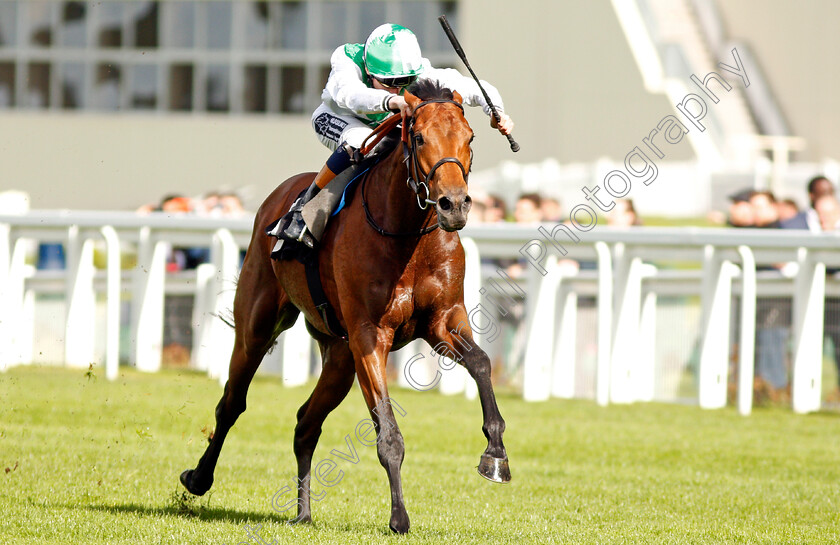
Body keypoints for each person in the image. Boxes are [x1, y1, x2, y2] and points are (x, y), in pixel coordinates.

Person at [270, 23, 514, 250]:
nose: (398, 88)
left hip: (387, 125)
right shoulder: (347, 58)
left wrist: (497, 111)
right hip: (338, 119)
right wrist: (392, 101)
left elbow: (476, 88)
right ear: (368, 69)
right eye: (389, 83)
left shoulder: (421, 69)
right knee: (359, 140)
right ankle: (303, 209)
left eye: (405, 83)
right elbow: (349, 96)